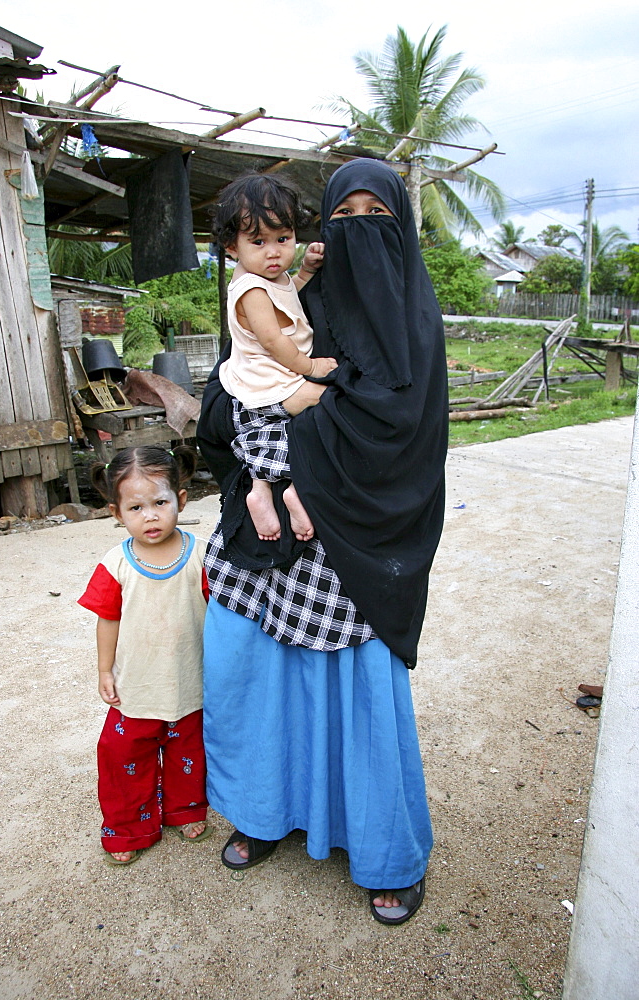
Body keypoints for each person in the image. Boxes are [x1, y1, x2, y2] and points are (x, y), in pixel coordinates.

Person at [197, 158, 449, 924]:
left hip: (360, 545)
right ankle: (267, 812)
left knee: (358, 691)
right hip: (270, 542)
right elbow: (222, 401)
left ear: (399, 223)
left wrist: (305, 426)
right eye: (346, 214)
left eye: (377, 212)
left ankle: (385, 853)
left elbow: (400, 430)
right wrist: (278, 443)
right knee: (254, 669)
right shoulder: (287, 303)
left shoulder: (415, 321)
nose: (359, 228)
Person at [78, 446, 210, 865]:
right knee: (123, 758)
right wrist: (104, 670)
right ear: (117, 512)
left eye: (160, 502)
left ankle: (184, 809)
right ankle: (129, 826)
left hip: (191, 680)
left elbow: (223, 615)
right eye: (136, 507)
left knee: (188, 751)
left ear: (181, 500)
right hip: (136, 686)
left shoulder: (201, 554)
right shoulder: (115, 563)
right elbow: (107, 619)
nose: (150, 516)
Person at [213, 172, 337, 544]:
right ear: (232, 247)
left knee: (275, 434)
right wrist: (309, 367)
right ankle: (295, 491)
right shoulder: (250, 288)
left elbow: (287, 303)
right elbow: (271, 337)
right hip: (272, 375)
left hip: (272, 373)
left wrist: (305, 272)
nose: (273, 251)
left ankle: (261, 490)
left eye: (283, 239)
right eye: (258, 241)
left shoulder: (271, 276)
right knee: (328, 402)